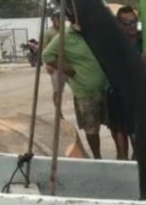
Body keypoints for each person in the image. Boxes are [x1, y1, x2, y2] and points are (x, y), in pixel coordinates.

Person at [42, 25, 110, 159]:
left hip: (106, 88)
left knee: (114, 126)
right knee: (91, 128)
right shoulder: (65, 36)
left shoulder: (96, 31)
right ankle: (97, 157)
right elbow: (47, 55)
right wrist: (67, 70)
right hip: (84, 90)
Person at [107, 6, 146, 160]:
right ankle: (122, 160)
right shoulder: (113, 43)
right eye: (127, 23)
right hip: (118, 93)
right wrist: (137, 63)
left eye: (134, 22)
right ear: (119, 25)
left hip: (140, 93)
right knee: (120, 132)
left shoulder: (145, 39)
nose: (132, 26)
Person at [43, 11, 66, 107]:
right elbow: (44, 49)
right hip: (55, 64)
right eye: (56, 18)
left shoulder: (66, 31)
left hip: (67, 63)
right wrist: (48, 64)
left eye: (61, 18)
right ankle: (58, 112)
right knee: (58, 90)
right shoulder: (49, 33)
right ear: (52, 20)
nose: (59, 20)